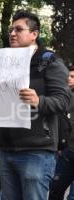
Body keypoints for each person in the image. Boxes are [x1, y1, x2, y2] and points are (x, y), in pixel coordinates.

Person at [0, 10, 70, 200]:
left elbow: (64, 101)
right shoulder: (5, 64)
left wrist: (38, 101)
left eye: (18, 29)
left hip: (37, 152)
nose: (12, 33)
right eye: (11, 29)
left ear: (34, 34)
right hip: (6, 149)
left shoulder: (50, 61)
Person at [49, 67, 74, 200]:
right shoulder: (63, 96)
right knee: (55, 189)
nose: (68, 79)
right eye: (68, 76)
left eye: (72, 77)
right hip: (67, 152)